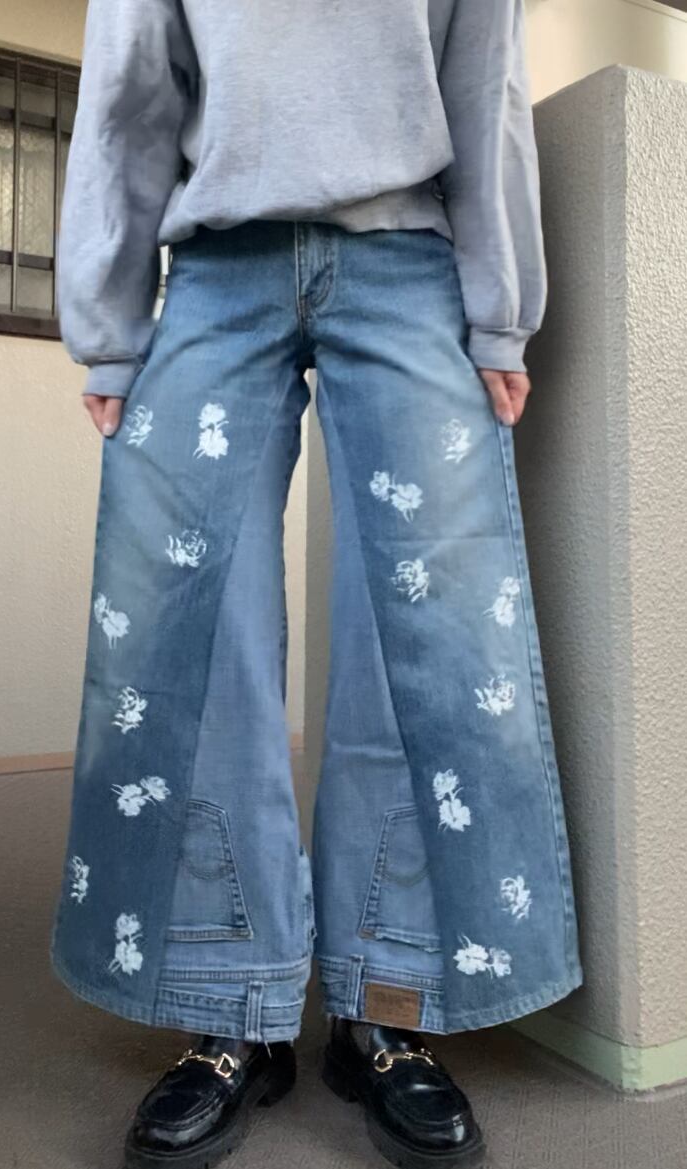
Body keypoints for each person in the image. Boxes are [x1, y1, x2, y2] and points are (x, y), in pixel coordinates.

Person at [51, 2, 583, 1167]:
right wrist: (107, 319)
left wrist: (499, 313)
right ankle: (228, 1006)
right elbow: (131, 85)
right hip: (214, 268)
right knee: (184, 638)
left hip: (406, 261)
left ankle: (385, 1003)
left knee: (427, 634)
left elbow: (482, 78)